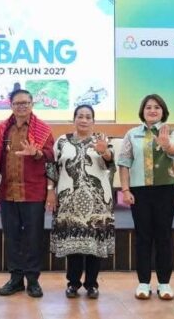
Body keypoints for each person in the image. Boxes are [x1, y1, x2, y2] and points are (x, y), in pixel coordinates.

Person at [46, 105, 115, 300]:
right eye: (80, 116)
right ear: (74, 119)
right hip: (68, 200)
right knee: (73, 244)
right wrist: (50, 191)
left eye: (88, 117)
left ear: (93, 120)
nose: (84, 120)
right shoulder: (62, 141)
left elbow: (111, 164)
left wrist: (104, 152)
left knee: (94, 244)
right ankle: (73, 283)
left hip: (98, 201)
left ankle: (92, 284)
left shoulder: (101, 139)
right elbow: (52, 168)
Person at [117, 94, 174, 300]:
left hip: (166, 190)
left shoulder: (171, 131)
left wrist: (166, 144)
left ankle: (164, 283)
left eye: (157, 107)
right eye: (148, 107)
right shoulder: (132, 134)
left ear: (163, 111)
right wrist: (125, 190)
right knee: (143, 236)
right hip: (140, 192)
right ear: (142, 112)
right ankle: (143, 283)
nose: (152, 110)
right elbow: (124, 163)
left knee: (164, 236)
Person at [0, 89, 54, 298]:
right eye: (17, 103)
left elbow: (50, 157)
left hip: (33, 193)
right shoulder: (2, 130)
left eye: (25, 103)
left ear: (32, 104)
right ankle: (16, 279)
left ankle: (33, 280)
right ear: (11, 105)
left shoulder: (43, 130)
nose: (22, 107)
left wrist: (36, 153)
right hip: (8, 192)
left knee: (33, 238)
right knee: (12, 237)